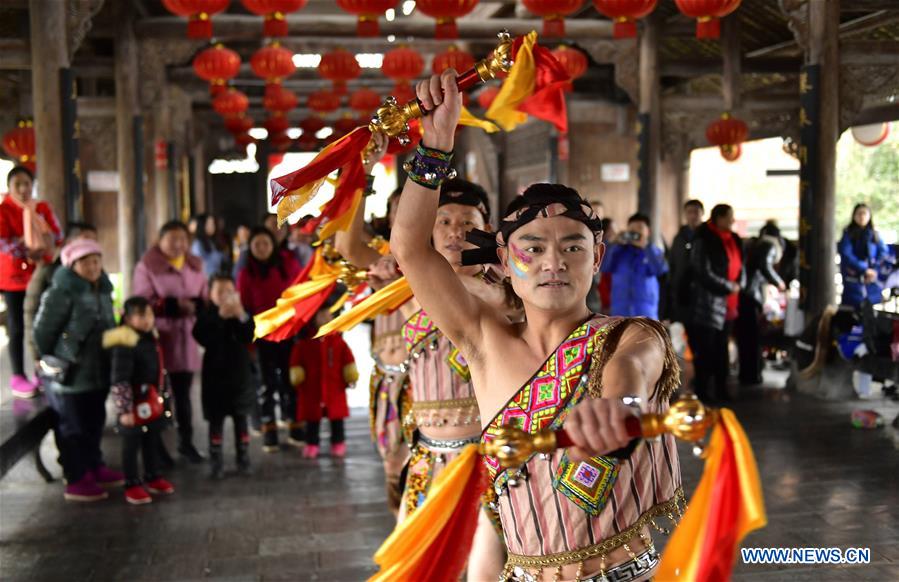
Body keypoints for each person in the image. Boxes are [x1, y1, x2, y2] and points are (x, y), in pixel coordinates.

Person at [389, 71, 682, 581]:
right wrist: (435, 146)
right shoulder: (483, 340)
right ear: (504, 258)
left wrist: (619, 408)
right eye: (533, 249)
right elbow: (411, 249)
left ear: (597, 259)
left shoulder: (631, 335)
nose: (554, 263)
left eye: (573, 247)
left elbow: (633, 371)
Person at [34, 238, 123, 501]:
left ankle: (94, 465)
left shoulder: (103, 290)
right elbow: (42, 334)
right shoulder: (61, 292)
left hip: (98, 370)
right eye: (86, 262)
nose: (93, 266)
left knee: (95, 421)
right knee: (72, 426)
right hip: (69, 375)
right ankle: (76, 476)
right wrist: (67, 347)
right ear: (72, 264)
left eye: (97, 261)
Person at [133, 221, 208, 464]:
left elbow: (205, 296)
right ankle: (158, 450)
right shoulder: (147, 266)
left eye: (182, 239)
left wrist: (200, 306)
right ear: (160, 240)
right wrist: (174, 306)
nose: (178, 244)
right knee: (159, 396)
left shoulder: (195, 264)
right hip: (160, 340)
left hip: (187, 338)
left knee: (184, 396)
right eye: (172, 239)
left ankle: (186, 443)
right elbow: (141, 301)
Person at [105, 297, 176, 505]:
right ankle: (132, 482)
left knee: (152, 439)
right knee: (131, 443)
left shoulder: (149, 338)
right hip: (133, 403)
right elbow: (119, 378)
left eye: (150, 314)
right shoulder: (123, 342)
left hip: (152, 401)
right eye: (141, 315)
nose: (148, 319)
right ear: (127, 318)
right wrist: (124, 409)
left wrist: (165, 395)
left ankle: (153, 476)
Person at [237, 226, 302, 452]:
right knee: (266, 384)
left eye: (265, 243)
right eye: (256, 245)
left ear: (273, 244)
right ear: (251, 248)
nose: (262, 248)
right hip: (262, 333)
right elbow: (244, 303)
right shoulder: (246, 272)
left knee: (289, 380)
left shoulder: (287, 263)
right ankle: (269, 430)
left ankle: (295, 424)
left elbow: (300, 291)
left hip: (287, 331)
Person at [1, 165, 62, 398]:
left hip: (41, 272)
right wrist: (27, 246)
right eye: (18, 184)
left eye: (27, 183)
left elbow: (57, 234)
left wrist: (43, 243)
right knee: (17, 327)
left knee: (42, 323)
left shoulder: (42, 208)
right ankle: (18, 375)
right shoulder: (3, 210)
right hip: (14, 278)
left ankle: (42, 369)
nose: (24, 188)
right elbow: (2, 242)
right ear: (10, 187)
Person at [193, 274, 256, 479]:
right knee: (215, 421)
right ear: (210, 294)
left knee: (241, 420)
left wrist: (241, 315)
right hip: (215, 379)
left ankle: (243, 457)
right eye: (219, 291)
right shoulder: (207, 315)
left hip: (240, 376)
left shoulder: (242, 312)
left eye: (229, 291)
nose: (224, 295)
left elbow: (250, 334)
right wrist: (219, 317)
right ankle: (216, 460)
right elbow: (201, 336)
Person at [24, 222, 98, 379]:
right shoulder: (49, 269)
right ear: (69, 241)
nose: (90, 245)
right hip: (60, 357)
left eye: (93, 240)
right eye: (84, 240)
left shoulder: (96, 273)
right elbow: (32, 312)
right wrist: (37, 355)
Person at [687, 204, 745, 402]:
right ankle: (703, 391)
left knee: (723, 349)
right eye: (729, 217)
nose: (732, 220)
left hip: (730, 302)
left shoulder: (734, 238)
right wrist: (728, 286)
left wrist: (739, 283)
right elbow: (702, 271)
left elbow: (741, 265)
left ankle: (722, 388)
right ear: (718, 218)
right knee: (706, 350)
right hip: (708, 303)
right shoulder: (703, 238)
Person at [290, 302, 358, 459]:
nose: (327, 318)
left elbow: (348, 359)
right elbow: (296, 360)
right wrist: (297, 375)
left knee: (337, 420)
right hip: (311, 389)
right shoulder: (305, 343)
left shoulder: (338, 342)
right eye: (323, 315)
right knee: (312, 420)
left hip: (334, 387)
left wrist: (350, 375)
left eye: (329, 315)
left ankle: (338, 442)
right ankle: (312, 443)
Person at [736, 221, 786, 386]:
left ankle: (747, 374)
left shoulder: (754, 244)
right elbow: (765, 266)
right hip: (751, 295)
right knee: (751, 338)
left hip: (744, 295)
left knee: (745, 338)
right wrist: (779, 282)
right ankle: (752, 375)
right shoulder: (769, 246)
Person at [600, 212, 668, 319]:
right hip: (620, 313)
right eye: (632, 229)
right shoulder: (618, 250)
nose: (635, 232)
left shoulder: (653, 251)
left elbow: (660, 270)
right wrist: (613, 244)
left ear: (648, 232)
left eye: (640, 228)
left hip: (646, 313)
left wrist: (646, 247)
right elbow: (604, 267)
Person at [837, 203, 889, 308]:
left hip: (872, 278)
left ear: (869, 216)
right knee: (853, 309)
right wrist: (864, 269)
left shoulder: (874, 234)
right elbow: (847, 255)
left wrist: (874, 269)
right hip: (853, 278)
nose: (862, 216)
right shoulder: (848, 233)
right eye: (859, 214)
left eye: (864, 213)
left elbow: (883, 252)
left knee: (872, 309)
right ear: (854, 216)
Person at [668, 199, 704, 324]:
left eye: (696, 212)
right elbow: (672, 264)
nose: (693, 215)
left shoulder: (708, 236)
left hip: (702, 294)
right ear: (685, 215)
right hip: (681, 292)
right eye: (689, 212)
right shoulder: (679, 238)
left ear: (702, 213)